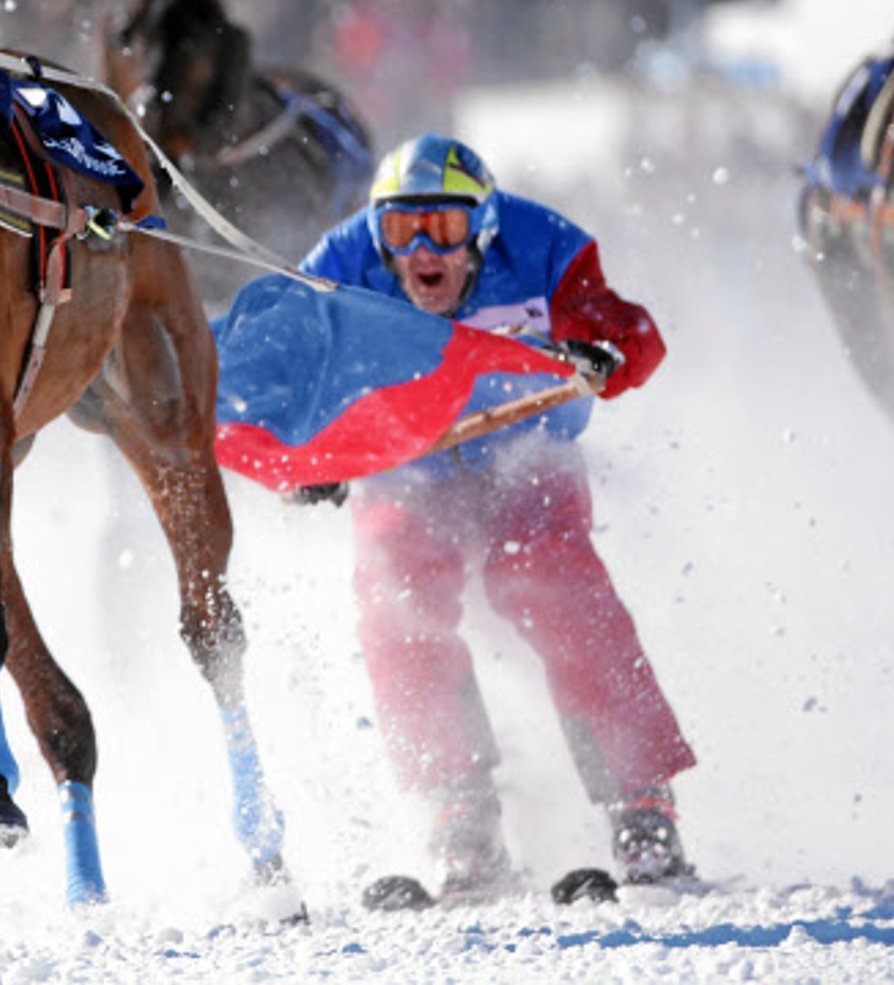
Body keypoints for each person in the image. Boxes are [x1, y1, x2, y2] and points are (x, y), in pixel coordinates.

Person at [296, 133, 696, 898]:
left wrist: (601, 352)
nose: (420, 250)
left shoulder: (544, 248)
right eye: (400, 228)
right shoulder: (337, 268)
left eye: (443, 228)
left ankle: (641, 803)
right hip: (409, 467)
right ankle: (462, 814)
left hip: (528, 456)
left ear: (482, 226)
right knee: (396, 597)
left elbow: (632, 333)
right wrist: (311, 462)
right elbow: (287, 381)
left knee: (553, 582)